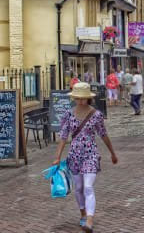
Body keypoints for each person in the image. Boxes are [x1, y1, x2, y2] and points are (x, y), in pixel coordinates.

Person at [53, 82, 118, 232]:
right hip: (74, 155)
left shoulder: (96, 115)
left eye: (83, 98)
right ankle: (82, 212)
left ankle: (89, 219)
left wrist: (112, 153)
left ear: (88, 98)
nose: (80, 101)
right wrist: (57, 157)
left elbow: (103, 134)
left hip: (91, 154)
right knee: (79, 188)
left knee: (88, 187)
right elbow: (63, 137)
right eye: (77, 98)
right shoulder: (68, 114)